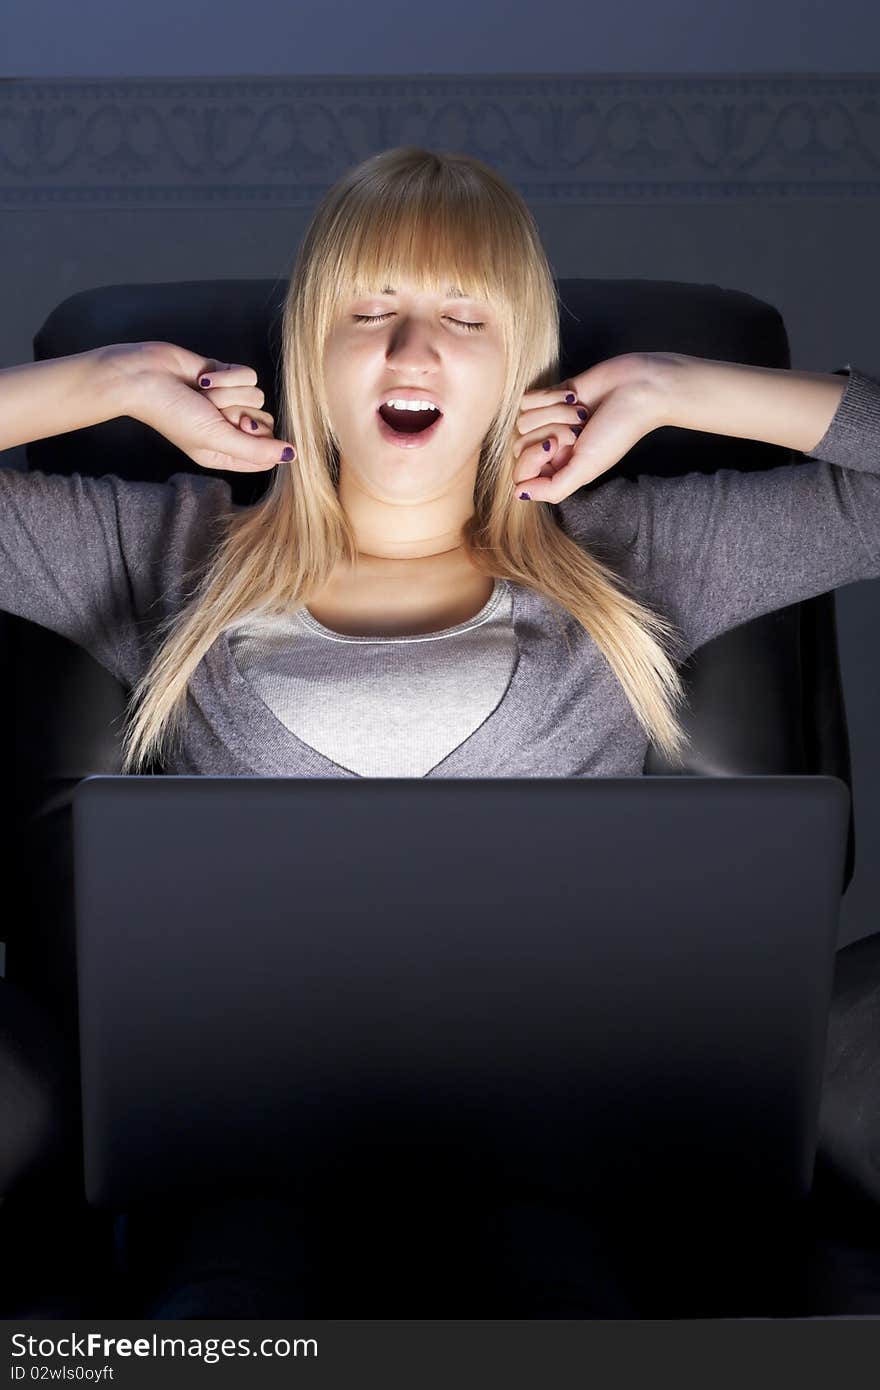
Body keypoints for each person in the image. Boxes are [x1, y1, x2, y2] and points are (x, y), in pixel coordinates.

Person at [0, 143, 875, 1317]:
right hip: (242, 1162)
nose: (412, 351)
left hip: (568, 1162)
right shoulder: (167, 549)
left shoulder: (639, 551)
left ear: (522, 363)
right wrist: (105, 381)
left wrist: (678, 387)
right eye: (368, 310)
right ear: (307, 353)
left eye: (464, 315)